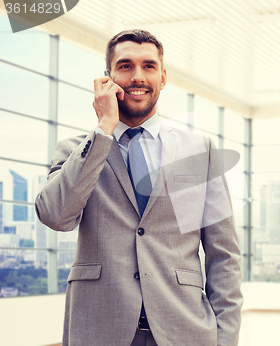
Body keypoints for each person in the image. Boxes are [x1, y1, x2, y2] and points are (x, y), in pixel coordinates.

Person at [35, 29, 243, 346]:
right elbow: (55, 216)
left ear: (162, 77)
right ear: (108, 77)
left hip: (185, 330)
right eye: (125, 66)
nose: (137, 77)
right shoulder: (77, 150)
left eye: (148, 66)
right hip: (99, 330)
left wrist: (225, 339)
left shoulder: (198, 152)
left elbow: (224, 255)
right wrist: (103, 129)